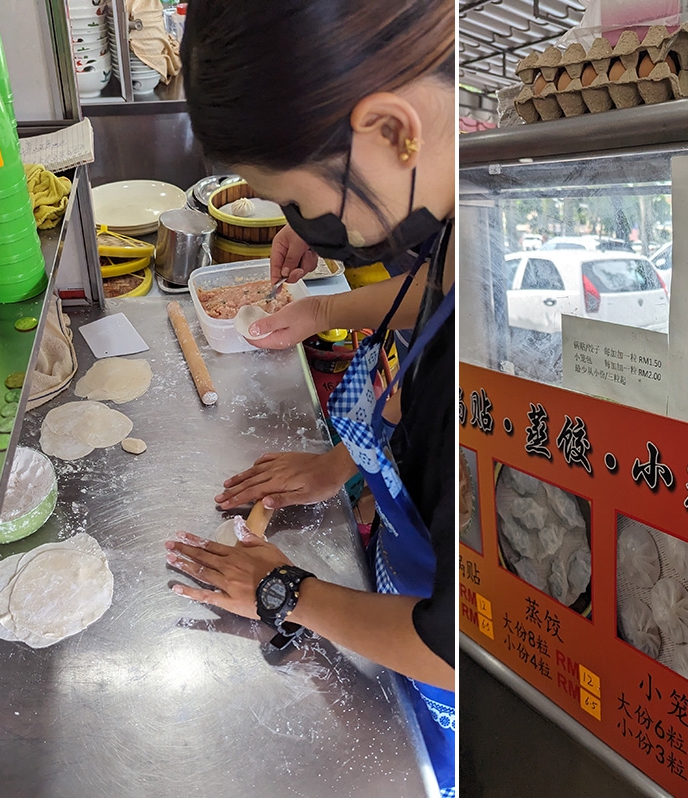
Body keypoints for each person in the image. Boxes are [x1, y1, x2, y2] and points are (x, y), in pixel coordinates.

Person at [162, 3, 456, 796]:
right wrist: (340, 463)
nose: (304, 230)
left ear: (394, 131)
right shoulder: (453, 230)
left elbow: (456, 648)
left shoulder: (483, 376)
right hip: (396, 601)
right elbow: (435, 294)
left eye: (299, 201)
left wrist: (283, 590)